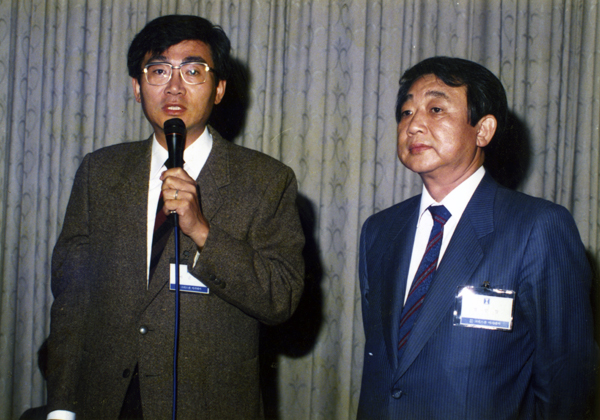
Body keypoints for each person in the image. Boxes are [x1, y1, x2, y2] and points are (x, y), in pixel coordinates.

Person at [46, 15, 304, 420]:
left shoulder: (267, 181)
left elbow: (281, 298)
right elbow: (71, 301)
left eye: (193, 71)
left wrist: (203, 232)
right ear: (137, 87)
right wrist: (61, 407)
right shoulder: (100, 172)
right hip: (104, 405)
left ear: (219, 89)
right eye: (159, 71)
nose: (174, 87)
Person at [357, 56, 597, 419]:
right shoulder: (379, 230)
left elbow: (567, 385)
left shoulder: (537, 227)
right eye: (406, 113)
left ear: (483, 130)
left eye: (435, 109)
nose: (414, 125)